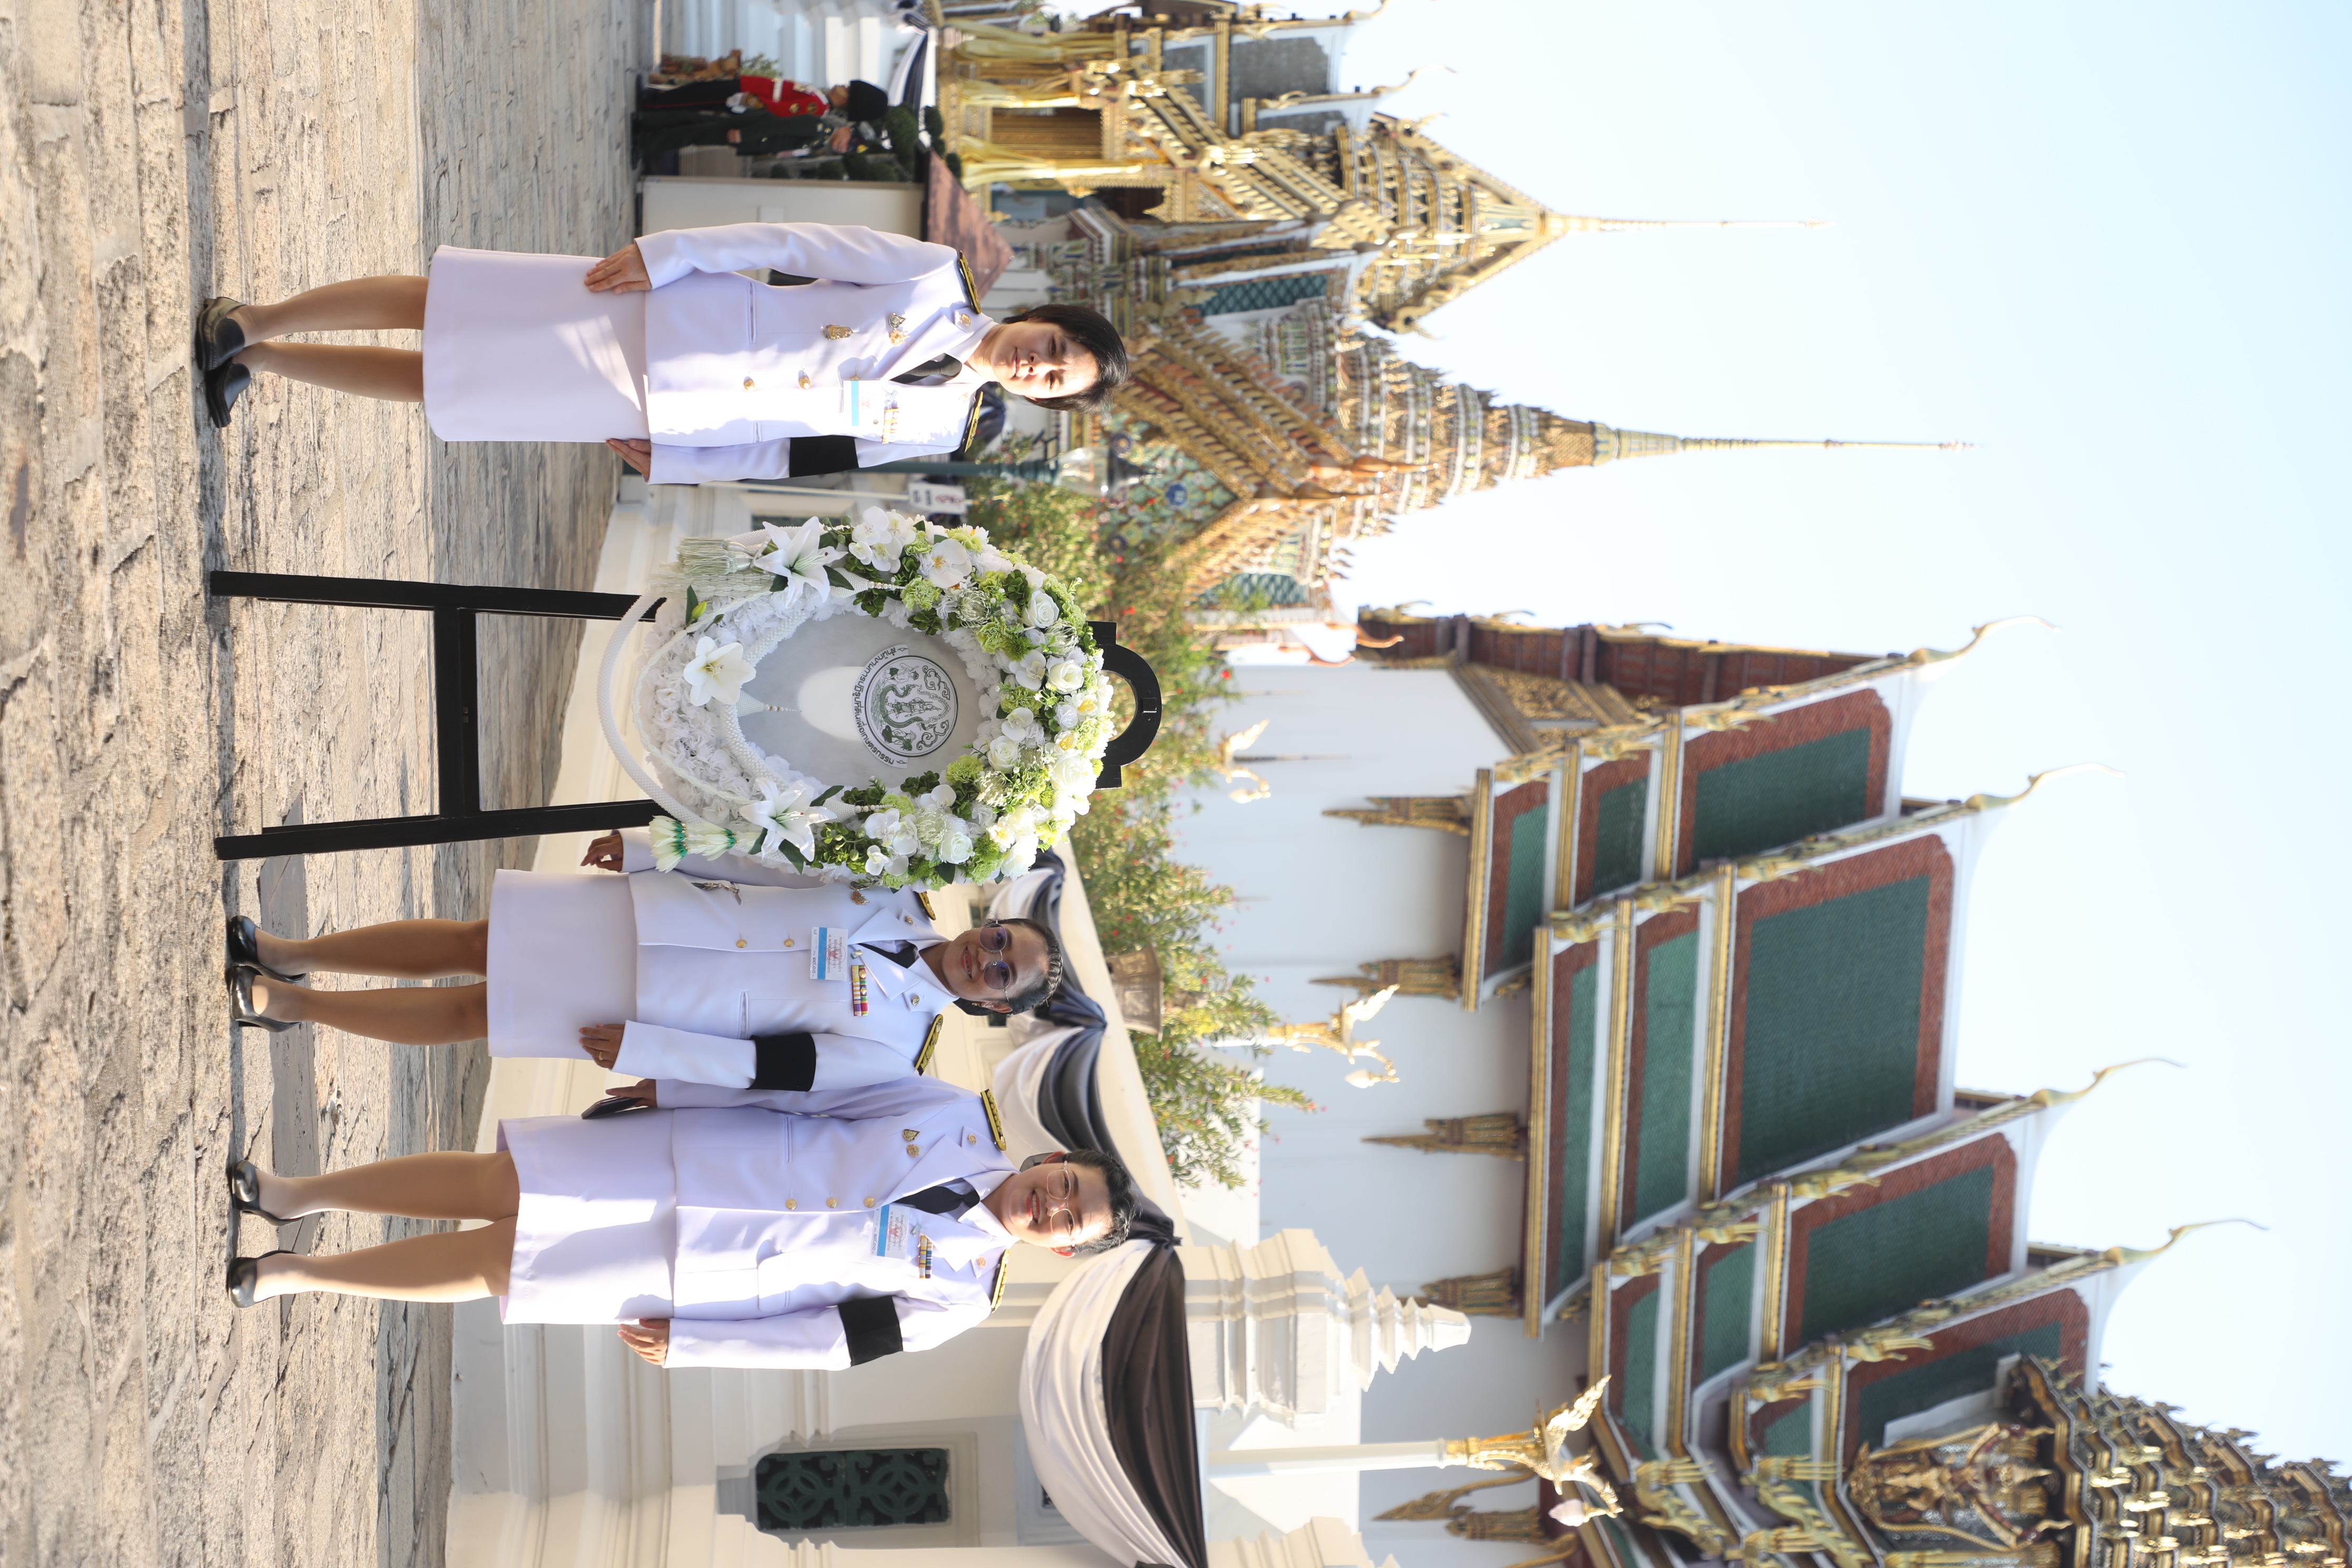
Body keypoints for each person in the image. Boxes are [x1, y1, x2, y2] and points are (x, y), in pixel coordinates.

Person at [222, 1075, 1142, 1369]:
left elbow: (830, 1342)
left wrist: (701, 1344)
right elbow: (809, 1090)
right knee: (500, 1182)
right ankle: (302, 1193)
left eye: (1071, 1221)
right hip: (694, 1151)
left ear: (1065, 1248)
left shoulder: (963, 1298)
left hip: (703, 1271)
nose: (1053, 1205)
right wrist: (678, 1083)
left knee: (502, 1267)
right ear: (1052, 1158)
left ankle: (301, 1275)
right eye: (1065, 1184)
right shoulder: (951, 1113)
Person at [192, 221, 1130, 484]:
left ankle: (264, 365)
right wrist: (670, 254)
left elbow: (805, 455)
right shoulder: (934, 276)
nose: (1037, 365)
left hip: (676, 407)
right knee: (451, 307)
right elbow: (793, 243)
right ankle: (258, 319)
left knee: (447, 385)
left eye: (1054, 380)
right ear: (1043, 317)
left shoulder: (944, 427)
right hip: (669, 314)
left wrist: (684, 464)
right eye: (1053, 347)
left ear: (1044, 401)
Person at [226, 825, 1062, 1092]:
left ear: (994, 1006)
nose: (985, 957)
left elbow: (766, 1068)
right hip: (652, 913)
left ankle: (295, 1005)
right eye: (1000, 939)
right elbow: (765, 859)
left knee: (473, 1010)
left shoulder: (899, 1047)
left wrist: (650, 1053)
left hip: (656, 1002)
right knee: (473, 940)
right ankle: (292, 952)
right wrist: (653, 848)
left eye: (1002, 973)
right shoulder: (894, 887)